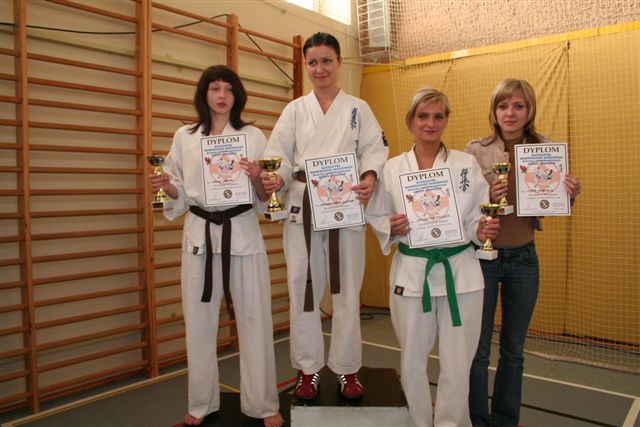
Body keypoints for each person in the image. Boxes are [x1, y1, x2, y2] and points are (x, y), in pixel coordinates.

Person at [149, 65, 284, 427]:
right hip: (200, 236)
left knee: (255, 320)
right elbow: (177, 190)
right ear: (204, 94)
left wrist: (258, 178)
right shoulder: (184, 136)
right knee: (198, 323)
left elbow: (266, 197)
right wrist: (165, 185)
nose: (222, 95)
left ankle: (263, 404)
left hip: (242, 232)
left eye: (228, 89)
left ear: (237, 95)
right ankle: (201, 403)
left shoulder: (253, 136)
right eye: (215, 88)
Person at [259, 32, 388, 400]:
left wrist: (369, 178)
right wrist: (277, 177)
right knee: (302, 288)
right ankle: (308, 369)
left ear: (339, 62)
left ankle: (347, 369)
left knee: (347, 289)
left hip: (344, 204)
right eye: (312, 62)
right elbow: (279, 156)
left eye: (327, 60)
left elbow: (374, 150)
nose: (320, 68)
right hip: (303, 206)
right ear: (305, 65)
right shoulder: (295, 110)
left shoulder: (358, 108)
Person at [366, 87, 500, 427]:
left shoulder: (465, 164)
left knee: (458, 363)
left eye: (438, 116)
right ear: (411, 120)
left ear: (446, 120)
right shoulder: (392, 168)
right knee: (412, 360)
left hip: (461, 273)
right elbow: (376, 214)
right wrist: (390, 226)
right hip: (413, 274)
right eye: (423, 116)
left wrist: (481, 229)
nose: (430, 123)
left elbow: (476, 217)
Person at [466, 78, 582, 427]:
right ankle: (476, 420)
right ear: (494, 110)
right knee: (477, 350)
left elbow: (549, 204)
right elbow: (463, 205)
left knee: (514, 351)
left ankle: (505, 420)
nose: (510, 113)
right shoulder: (475, 151)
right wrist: (485, 193)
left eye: (518, 105)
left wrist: (569, 193)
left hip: (524, 260)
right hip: (482, 261)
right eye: (503, 106)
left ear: (529, 110)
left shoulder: (546, 150)